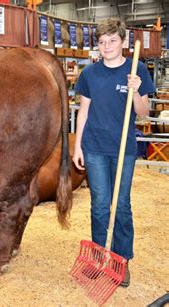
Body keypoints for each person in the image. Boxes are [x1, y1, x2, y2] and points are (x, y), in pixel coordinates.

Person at [73, 18, 155, 288]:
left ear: (123, 43)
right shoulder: (89, 75)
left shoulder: (137, 69)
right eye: (102, 41)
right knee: (99, 205)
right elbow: (83, 112)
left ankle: (121, 260)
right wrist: (77, 147)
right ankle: (98, 257)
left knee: (120, 206)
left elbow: (143, 114)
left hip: (124, 149)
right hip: (94, 147)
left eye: (112, 41)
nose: (106, 46)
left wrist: (135, 91)